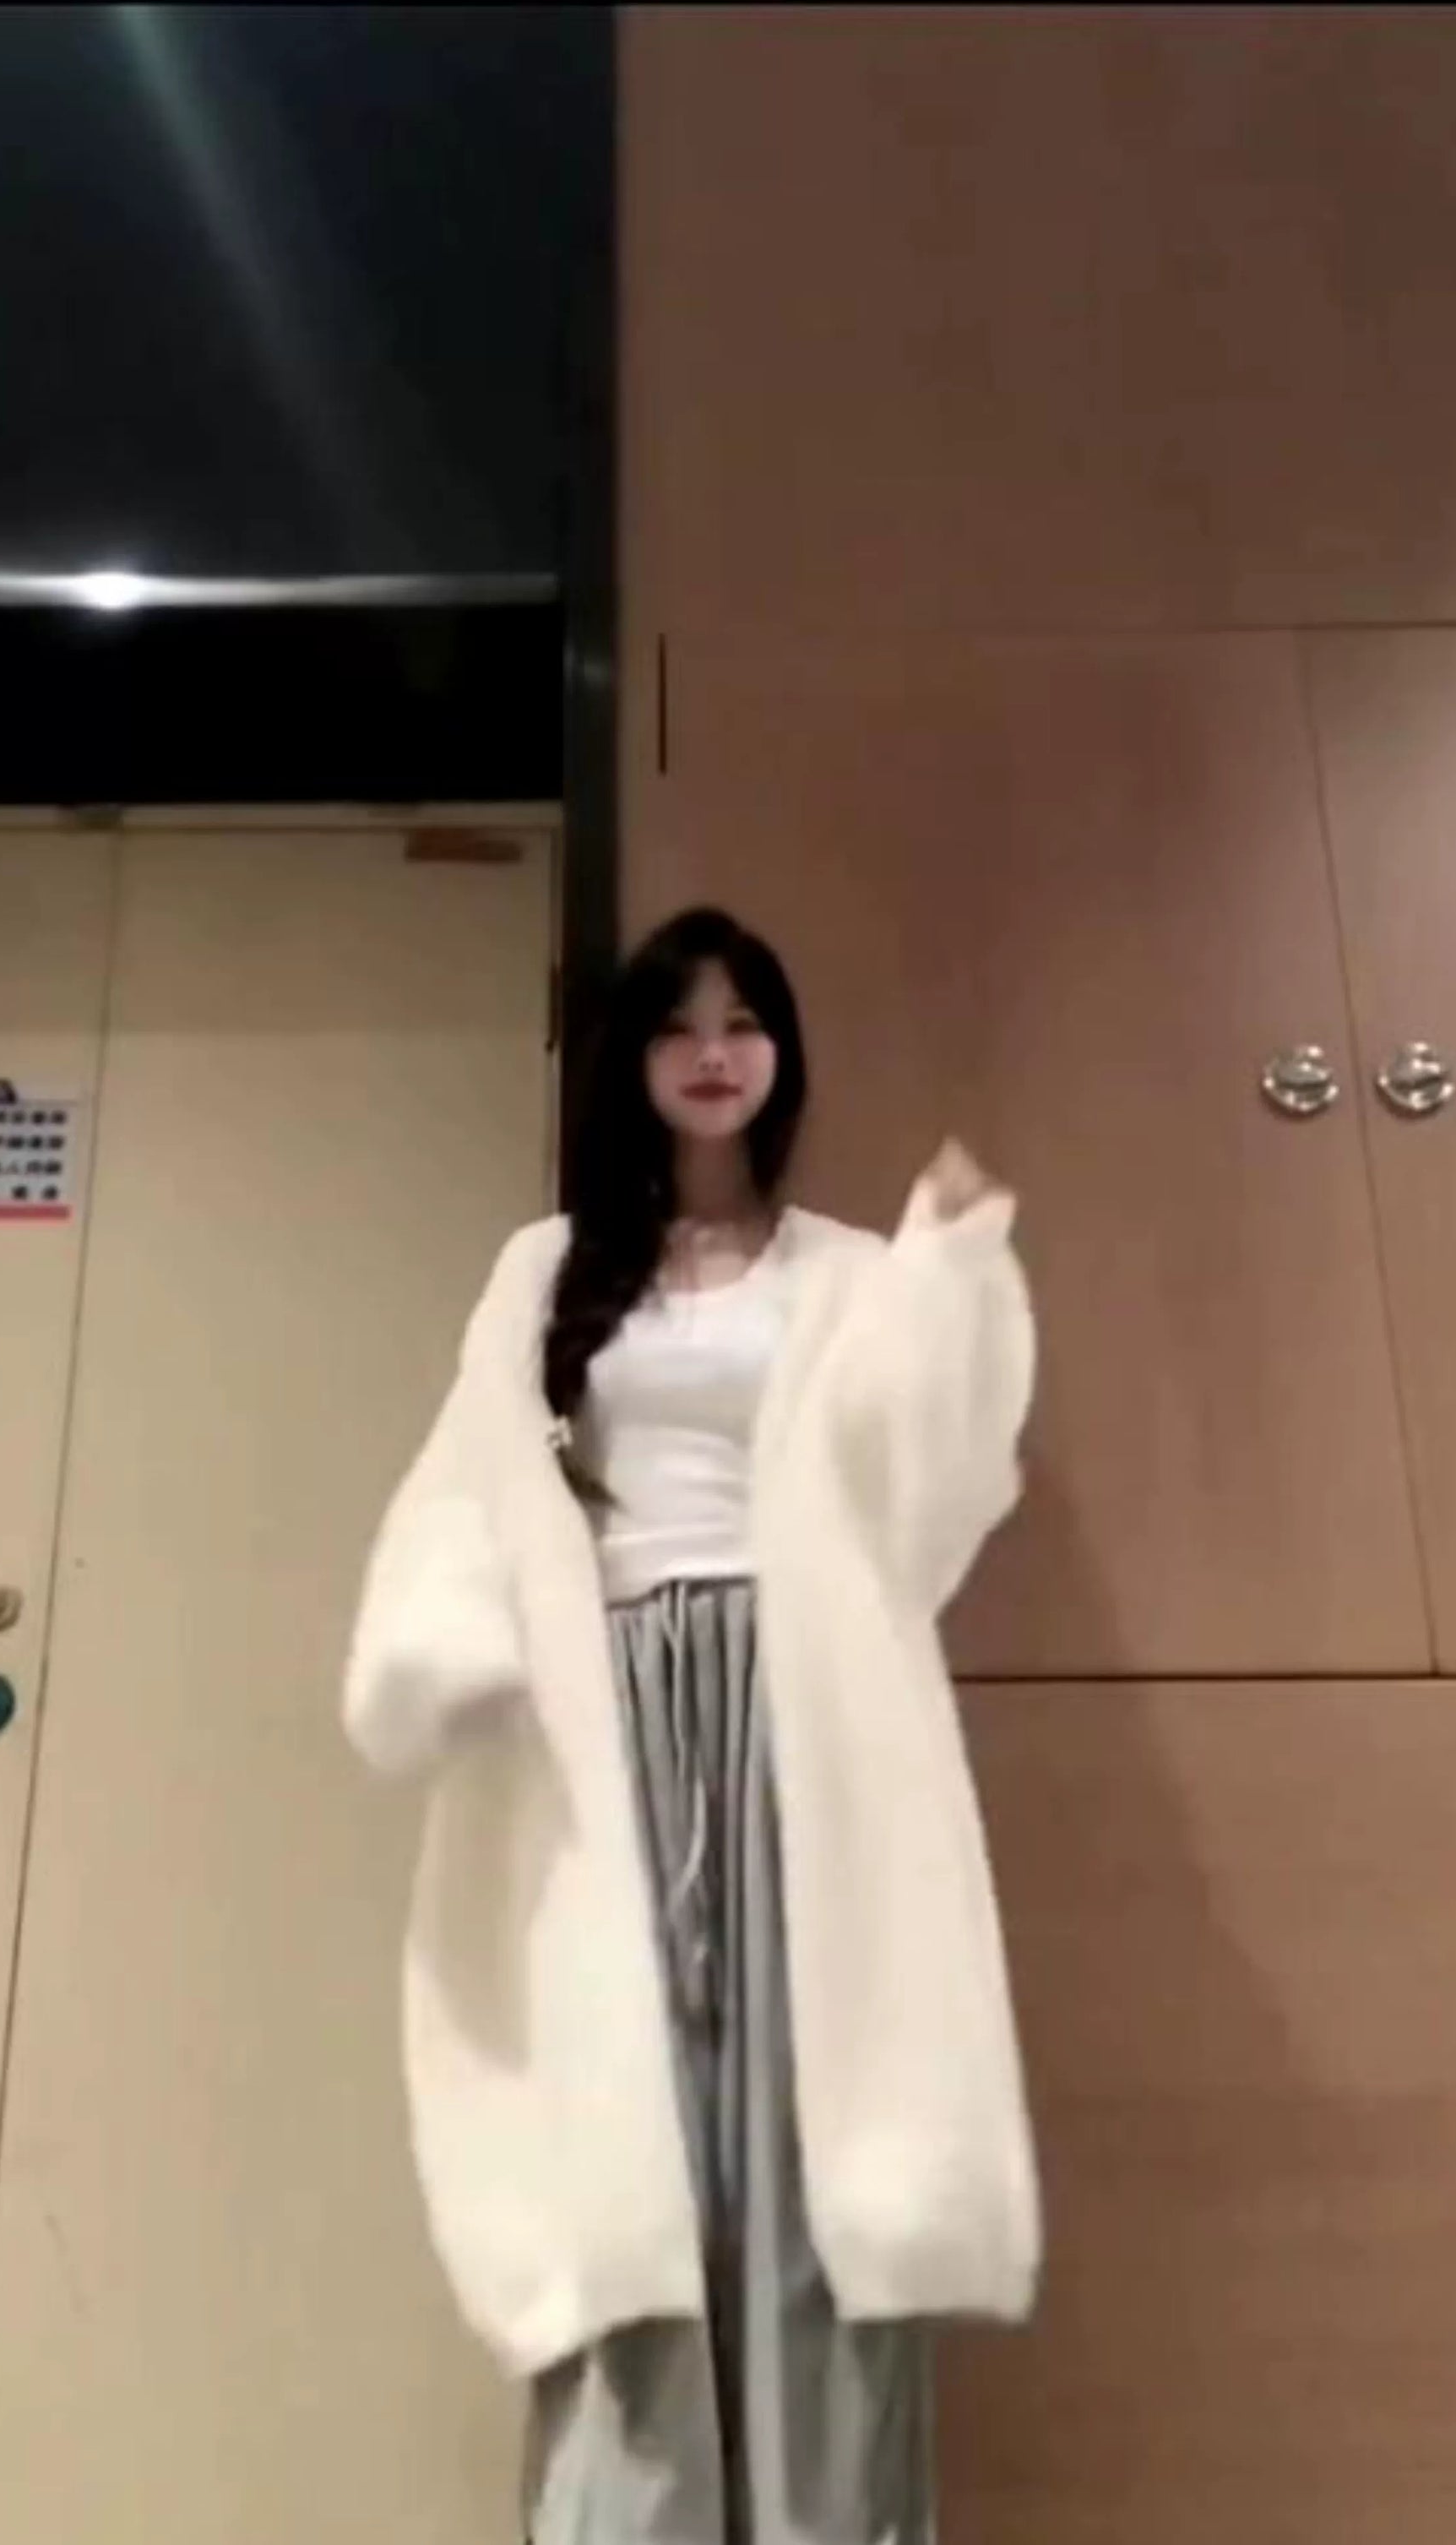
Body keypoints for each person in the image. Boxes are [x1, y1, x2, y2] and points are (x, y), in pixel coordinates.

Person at [344, 907, 1040, 2545]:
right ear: (635, 1061)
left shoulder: (847, 1270)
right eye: (679, 1024)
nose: (714, 1053)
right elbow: (472, 1471)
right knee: (623, 2140)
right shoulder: (546, 1268)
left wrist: (949, 1280)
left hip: (800, 1711)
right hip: (612, 1722)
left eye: (742, 1022)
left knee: (811, 2139)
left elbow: (923, 1487)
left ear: (779, 1051)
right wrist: (448, 1645)